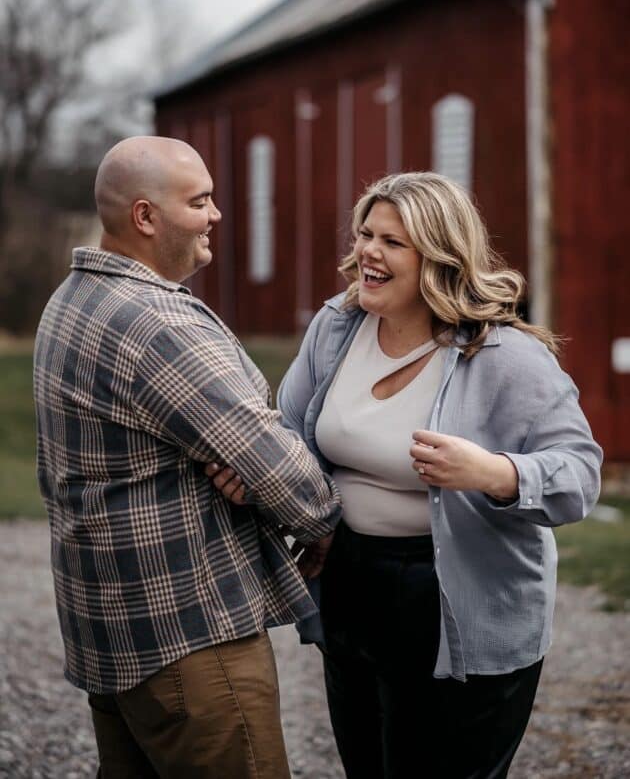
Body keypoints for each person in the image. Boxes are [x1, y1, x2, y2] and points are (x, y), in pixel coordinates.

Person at [210, 172, 602, 778]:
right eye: (366, 233)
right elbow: (287, 438)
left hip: (453, 592)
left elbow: (579, 475)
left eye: (393, 242)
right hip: (350, 578)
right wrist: (256, 479)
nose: (368, 251)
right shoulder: (337, 329)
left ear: (440, 257)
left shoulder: (504, 356)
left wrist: (492, 471)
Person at [33, 136, 342, 779]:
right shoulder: (159, 325)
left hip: (113, 629)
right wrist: (322, 521)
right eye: (199, 202)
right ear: (146, 217)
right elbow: (282, 472)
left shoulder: (70, 300)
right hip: (189, 639)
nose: (216, 215)